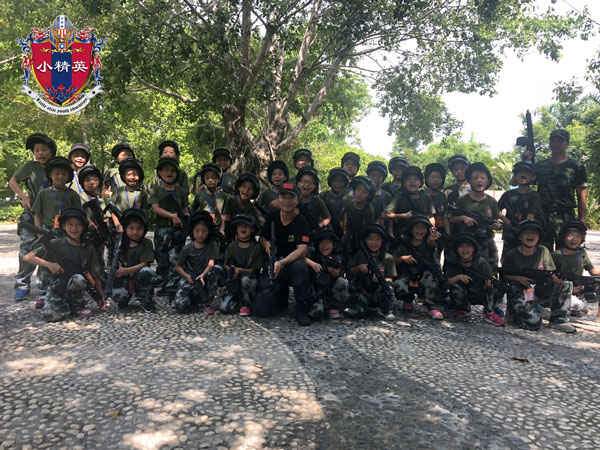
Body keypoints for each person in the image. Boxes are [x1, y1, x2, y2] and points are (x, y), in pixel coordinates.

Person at [23, 208, 104, 321]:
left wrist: (101, 297)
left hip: (77, 289)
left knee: (78, 278)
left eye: (78, 225)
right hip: (57, 287)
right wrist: (50, 265)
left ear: (83, 227)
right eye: (70, 224)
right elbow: (27, 257)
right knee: (52, 316)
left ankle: (77, 305)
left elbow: (95, 276)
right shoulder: (55, 243)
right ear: (63, 226)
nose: (74, 228)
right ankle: (64, 305)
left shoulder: (88, 248)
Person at [254, 182, 314, 326]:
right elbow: (262, 237)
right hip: (274, 264)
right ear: (278, 199)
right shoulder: (272, 217)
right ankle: (281, 296)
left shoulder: (301, 221)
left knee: (300, 266)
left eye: (291, 197)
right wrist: (267, 245)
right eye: (284, 197)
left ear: (297, 200)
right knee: (261, 309)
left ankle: (302, 307)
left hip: (291, 264)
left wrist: (281, 263)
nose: (287, 201)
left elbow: (302, 249)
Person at [501, 220, 575, 333]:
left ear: (539, 237)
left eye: (534, 233)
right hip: (521, 291)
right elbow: (503, 275)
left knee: (565, 284)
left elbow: (551, 272)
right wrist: (519, 279)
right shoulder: (512, 254)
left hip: (539, 289)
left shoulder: (543, 251)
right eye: (527, 233)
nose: (530, 235)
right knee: (533, 324)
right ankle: (514, 312)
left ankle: (559, 320)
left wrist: (555, 280)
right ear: (520, 236)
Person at [9, 133, 56, 301]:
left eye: (44, 150)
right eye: (36, 150)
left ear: (51, 151)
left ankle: (49, 285)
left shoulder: (57, 165)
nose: (40, 153)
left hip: (52, 215)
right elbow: (13, 181)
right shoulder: (30, 166)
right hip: (31, 214)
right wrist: (24, 197)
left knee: (52, 249)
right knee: (27, 248)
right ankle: (22, 284)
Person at [535, 129, 587, 251]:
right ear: (549, 143)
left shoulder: (576, 166)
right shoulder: (540, 166)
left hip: (565, 215)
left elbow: (582, 194)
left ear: (567, 143)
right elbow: (521, 182)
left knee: (566, 252)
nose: (556, 143)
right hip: (543, 215)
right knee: (542, 253)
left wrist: (581, 221)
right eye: (553, 140)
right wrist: (526, 159)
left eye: (560, 141)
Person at [148, 157, 190, 299]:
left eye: (172, 170)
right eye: (166, 170)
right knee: (162, 259)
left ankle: (173, 287)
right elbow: (155, 209)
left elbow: (185, 210)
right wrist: (172, 216)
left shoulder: (181, 192)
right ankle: (164, 284)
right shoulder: (156, 191)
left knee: (175, 258)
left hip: (176, 231)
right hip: (161, 230)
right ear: (160, 172)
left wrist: (187, 222)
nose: (169, 173)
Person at [443, 233, 505, 326]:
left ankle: (489, 311)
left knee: (493, 287)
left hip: (480, 290)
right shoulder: (453, 263)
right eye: (461, 246)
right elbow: (446, 281)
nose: (465, 249)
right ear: (456, 249)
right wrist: (459, 277)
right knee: (455, 287)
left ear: (474, 248)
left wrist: (490, 283)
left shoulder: (481, 262)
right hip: (464, 291)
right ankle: (463, 308)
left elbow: (492, 277)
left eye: (468, 246)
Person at [393, 215, 445, 319]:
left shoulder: (429, 243)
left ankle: (431, 306)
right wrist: (402, 259)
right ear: (411, 229)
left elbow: (431, 245)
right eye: (416, 226)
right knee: (398, 285)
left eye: (423, 227)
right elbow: (392, 262)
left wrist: (432, 239)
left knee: (430, 279)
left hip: (424, 278)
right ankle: (407, 300)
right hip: (408, 276)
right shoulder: (404, 244)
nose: (419, 230)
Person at [173, 211, 223, 314]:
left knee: (217, 269)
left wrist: (203, 275)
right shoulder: (187, 249)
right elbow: (178, 267)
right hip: (190, 277)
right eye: (197, 231)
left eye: (204, 231)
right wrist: (187, 277)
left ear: (209, 231)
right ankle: (192, 300)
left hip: (205, 276)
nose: (200, 234)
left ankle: (206, 301)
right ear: (192, 231)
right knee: (180, 306)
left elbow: (211, 263)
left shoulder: (212, 245)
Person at [345, 223, 396, 319]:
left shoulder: (388, 258)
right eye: (370, 239)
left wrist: (381, 280)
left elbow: (390, 278)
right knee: (356, 314)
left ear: (382, 240)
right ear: (365, 240)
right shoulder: (360, 254)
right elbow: (350, 271)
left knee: (388, 286)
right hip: (363, 290)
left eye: (377, 239)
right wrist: (359, 268)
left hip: (378, 291)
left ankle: (385, 309)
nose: (374, 242)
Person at [111, 208, 157, 313]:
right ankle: (124, 299)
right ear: (125, 228)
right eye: (131, 228)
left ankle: (146, 300)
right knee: (118, 295)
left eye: (139, 228)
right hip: (125, 278)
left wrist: (126, 270)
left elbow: (145, 264)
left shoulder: (146, 243)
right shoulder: (120, 243)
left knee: (147, 271)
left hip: (140, 277)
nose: (135, 232)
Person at [551, 220, 600, 317]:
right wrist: (570, 289)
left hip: (578, 286)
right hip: (562, 289)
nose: (574, 239)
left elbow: (592, 271)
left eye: (578, 236)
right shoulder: (556, 255)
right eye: (570, 235)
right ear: (563, 236)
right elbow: (551, 278)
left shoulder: (581, 253)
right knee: (582, 309)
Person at [220, 214, 264, 316]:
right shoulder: (232, 246)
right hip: (235, 280)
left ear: (253, 229)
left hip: (249, 281)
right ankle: (237, 300)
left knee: (246, 279)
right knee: (224, 309)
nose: (243, 228)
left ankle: (246, 304)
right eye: (240, 225)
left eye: (247, 226)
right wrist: (231, 270)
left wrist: (240, 270)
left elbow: (255, 270)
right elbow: (226, 264)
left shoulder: (256, 247)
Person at [498, 161, 541, 257]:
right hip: (509, 234)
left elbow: (531, 217)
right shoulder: (508, 194)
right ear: (515, 176)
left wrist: (523, 231)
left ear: (533, 177)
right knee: (507, 260)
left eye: (526, 173)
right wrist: (506, 221)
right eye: (519, 172)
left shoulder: (534, 196)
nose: (523, 175)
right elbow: (497, 209)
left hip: (526, 236)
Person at [305, 229, 349, 319]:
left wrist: (331, 269)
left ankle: (333, 306)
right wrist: (312, 264)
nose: (325, 245)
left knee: (342, 282)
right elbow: (301, 256)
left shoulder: (336, 256)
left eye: (328, 242)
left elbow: (337, 273)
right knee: (316, 313)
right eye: (322, 242)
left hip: (331, 287)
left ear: (334, 245)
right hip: (316, 288)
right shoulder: (313, 254)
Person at [384, 166, 435, 238]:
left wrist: (432, 230)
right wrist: (404, 215)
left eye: (415, 179)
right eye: (408, 179)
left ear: (421, 183)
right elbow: (385, 215)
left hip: (422, 233)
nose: (412, 181)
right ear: (403, 183)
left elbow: (431, 216)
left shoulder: (426, 197)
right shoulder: (399, 197)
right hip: (404, 234)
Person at [342, 176, 376, 265]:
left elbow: (368, 230)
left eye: (364, 192)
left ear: (369, 195)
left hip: (363, 240)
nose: (359, 193)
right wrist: (345, 235)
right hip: (351, 237)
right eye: (357, 189)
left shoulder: (369, 210)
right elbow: (347, 221)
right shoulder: (350, 204)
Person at [110, 158, 148, 232]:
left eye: (135, 175)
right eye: (129, 174)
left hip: (135, 229)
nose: (132, 177)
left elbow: (144, 211)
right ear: (124, 177)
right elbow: (112, 211)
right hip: (120, 227)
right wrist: (118, 225)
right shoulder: (118, 191)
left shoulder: (142, 194)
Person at [191, 163, 229, 232]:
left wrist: (222, 230)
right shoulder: (200, 194)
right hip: (203, 229)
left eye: (213, 177)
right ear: (204, 180)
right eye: (207, 178)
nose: (210, 180)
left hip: (218, 229)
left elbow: (224, 215)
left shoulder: (224, 196)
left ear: (219, 179)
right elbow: (193, 210)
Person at [424, 163, 451, 245]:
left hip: (440, 231)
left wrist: (448, 235)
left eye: (439, 177)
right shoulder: (421, 195)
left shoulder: (443, 196)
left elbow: (445, 216)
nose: (436, 180)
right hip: (424, 231)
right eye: (433, 177)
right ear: (426, 178)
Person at [320, 168, 349, 239]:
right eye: (335, 180)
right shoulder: (324, 195)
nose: (337, 184)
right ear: (330, 182)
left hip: (345, 231)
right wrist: (329, 229)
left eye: (341, 181)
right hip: (328, 229)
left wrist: (345, 233)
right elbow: (320, 214)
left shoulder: (349, 196)